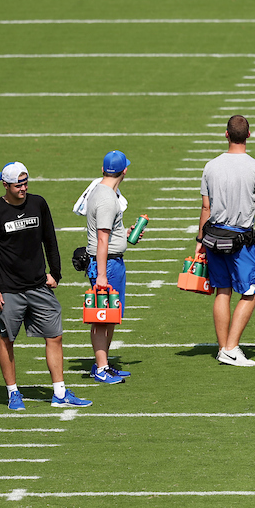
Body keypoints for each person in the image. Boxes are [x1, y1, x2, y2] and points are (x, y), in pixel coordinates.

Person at [0, 162, 91, 411]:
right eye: (17, 185)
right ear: (5, 185)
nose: (23, 188)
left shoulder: (38, 203)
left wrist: (56, 273)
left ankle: (60, 393)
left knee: (55, 336)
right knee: (7, 339)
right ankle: (13, 393)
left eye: (25, 183)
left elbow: (49, 239)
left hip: (38, 286)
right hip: (8, 290)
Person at [196, 115, 255, 368]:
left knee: (222, 291)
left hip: (214, 237)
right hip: (240, 241)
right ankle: (231, 347)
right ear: (248, 135)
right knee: (252, 290)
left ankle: (223, 348)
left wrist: (199, 240)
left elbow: (206, 208)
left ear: (226, 134)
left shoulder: (210, 166)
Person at [85, 150, 141, 385]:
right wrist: (101, 275)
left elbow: (107, 232)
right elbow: (102, 239)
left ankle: (103, 363)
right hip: (107, 265)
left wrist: (124, 234)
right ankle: (101, 368)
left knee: (110, 316)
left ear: (103, 169)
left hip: (109, 261)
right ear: (124, 170)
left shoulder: (101, 191)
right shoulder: (108, 199)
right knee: (103, 317)